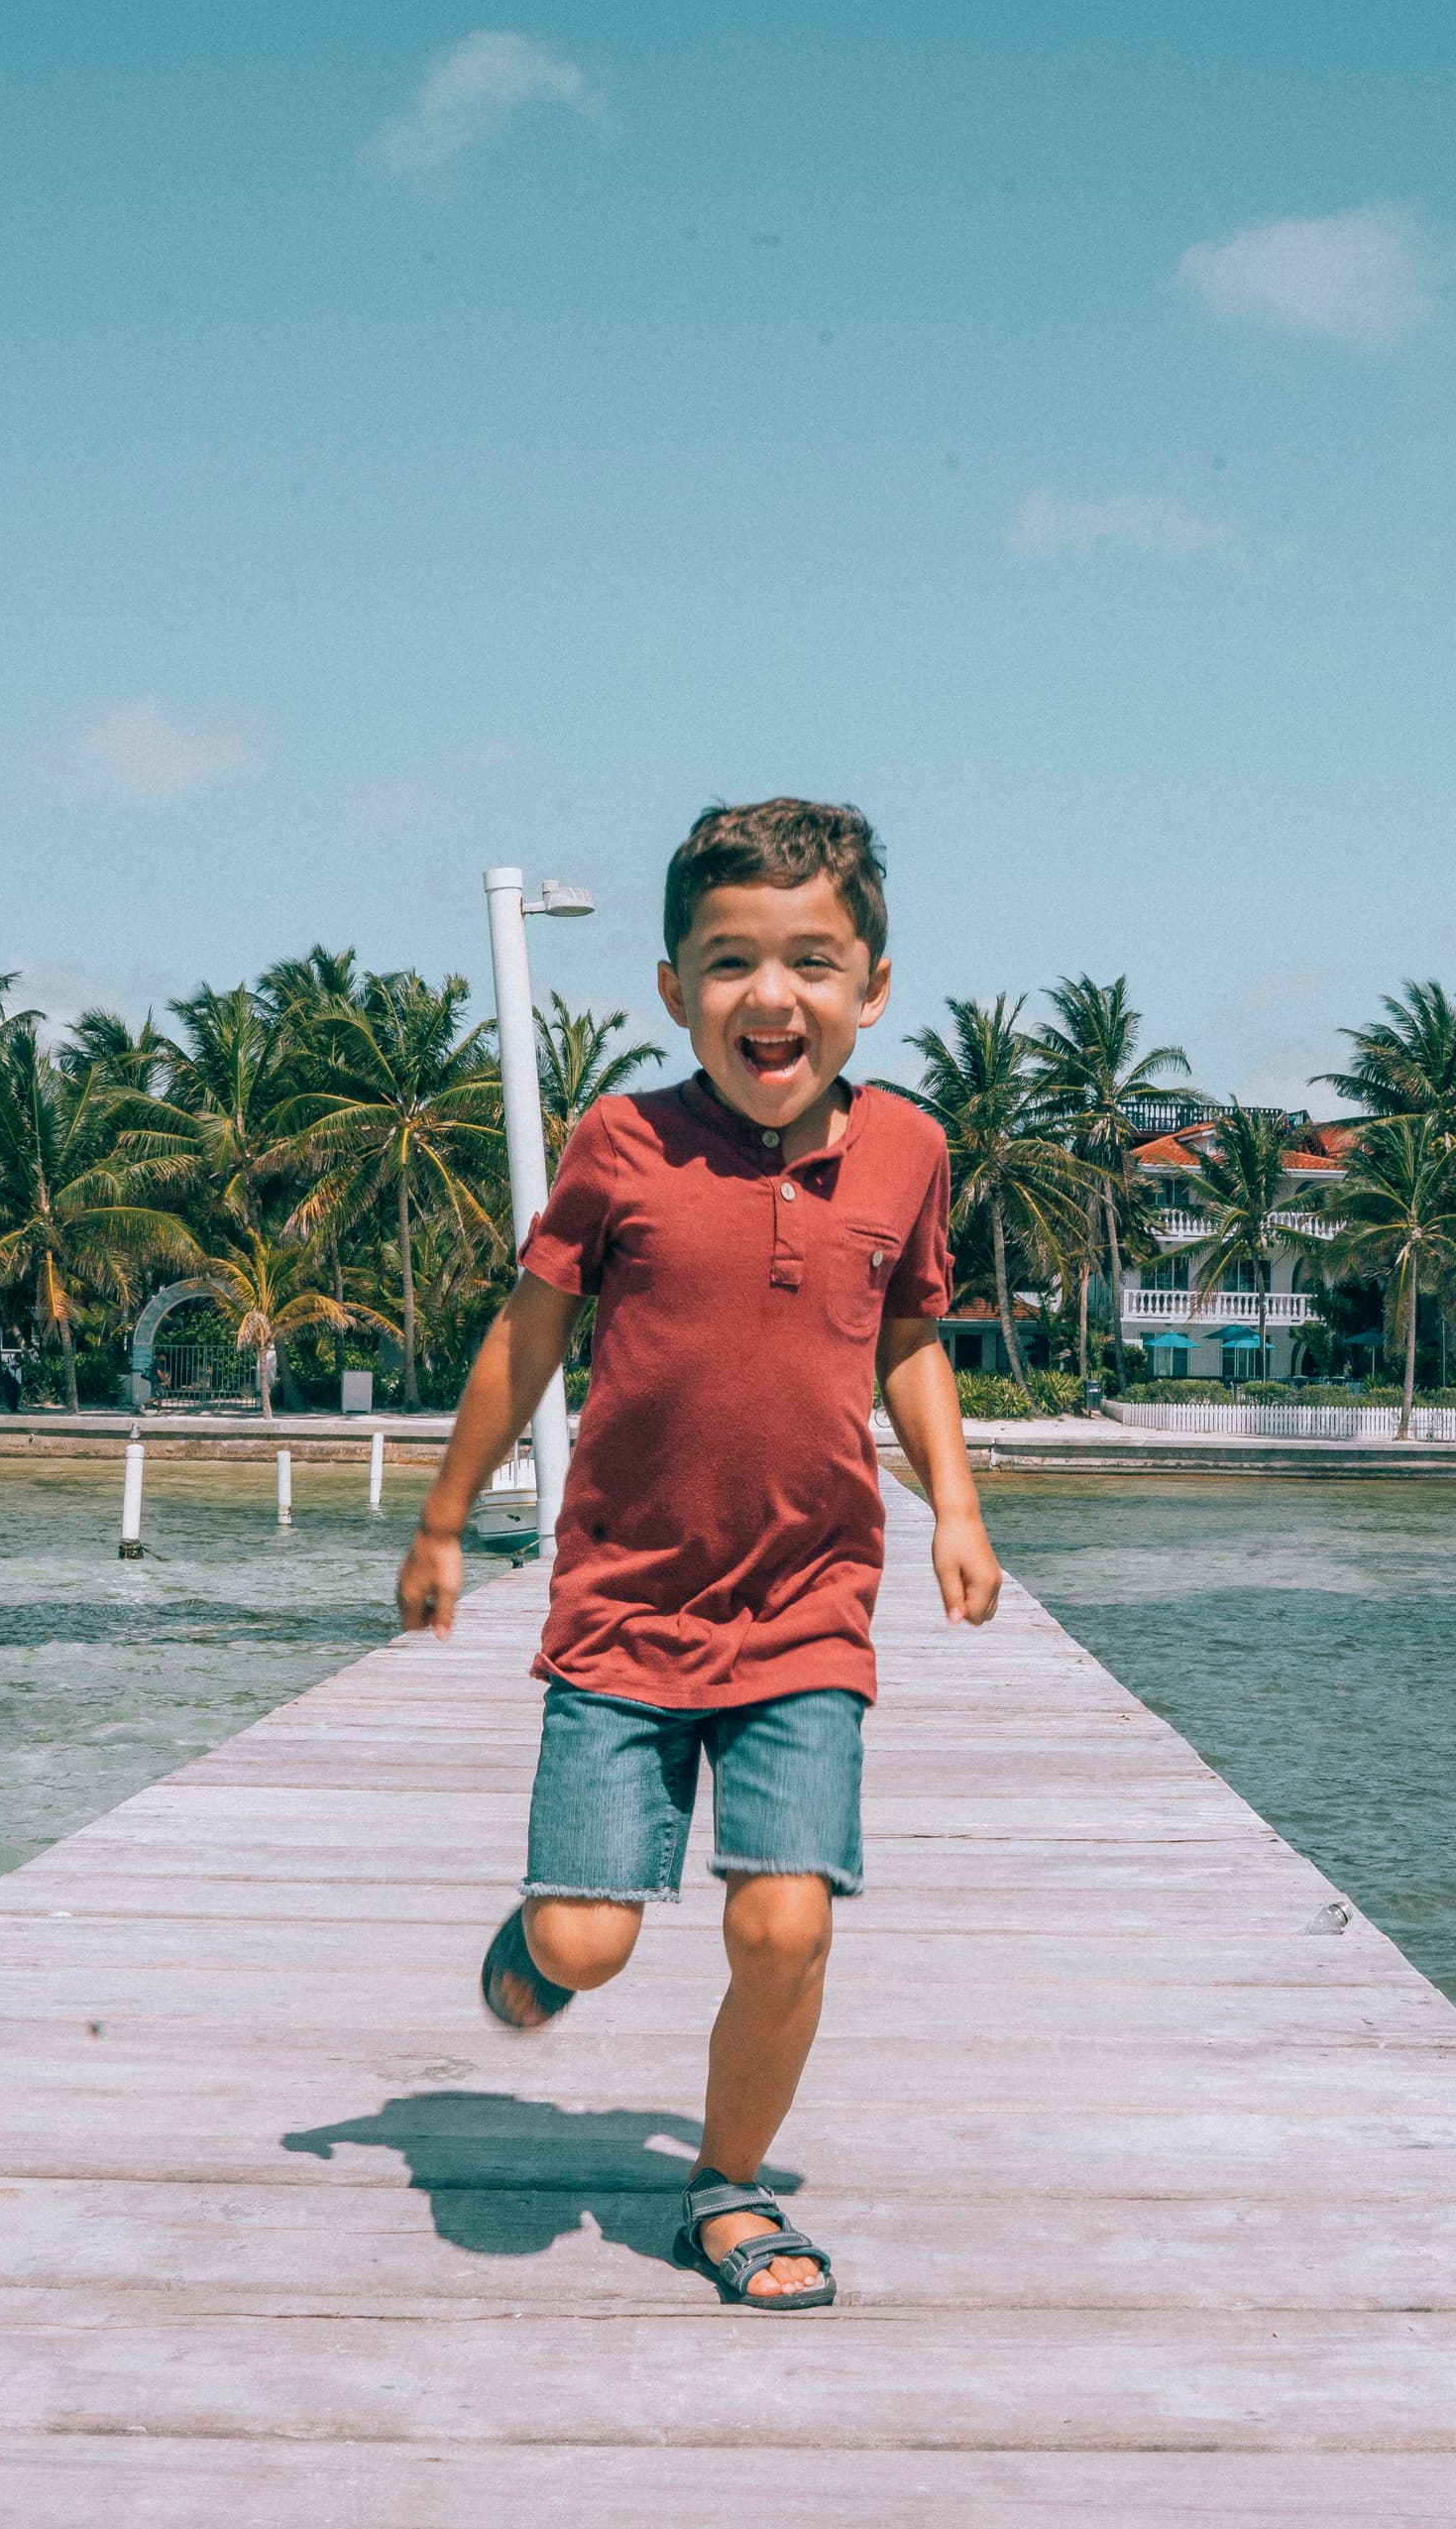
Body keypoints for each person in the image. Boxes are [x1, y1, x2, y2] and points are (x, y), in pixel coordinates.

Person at [396, 797, 1002, 2313]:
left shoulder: (912, 1149)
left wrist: (960, 1506)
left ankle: (725, 2186)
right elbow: (529, 1330)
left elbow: (912, 1337)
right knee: (585, 1939)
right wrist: (443, 1516)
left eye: (812, 960)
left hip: (811, 1606)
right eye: (729, 960)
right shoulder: (624, 1142)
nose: (770, 995)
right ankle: (542, 1941)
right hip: (624, 1607)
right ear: (674, 988)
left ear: (872, 984)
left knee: (783, 1917)